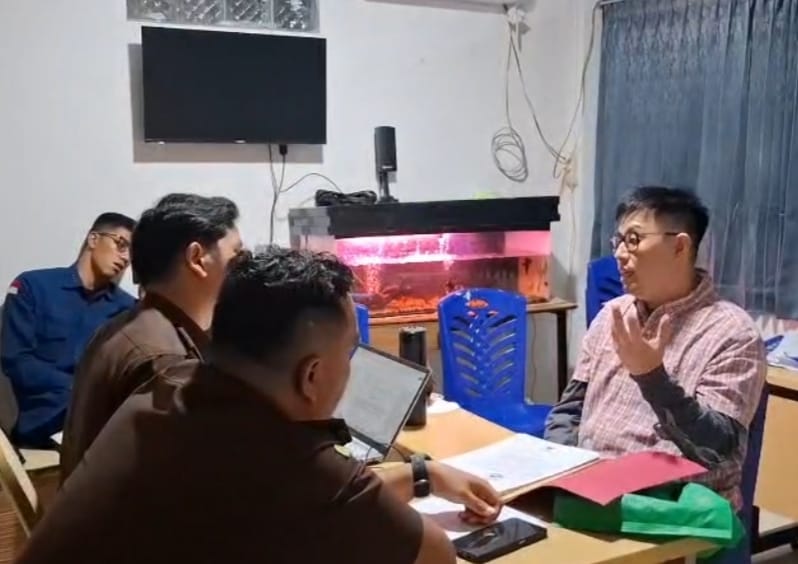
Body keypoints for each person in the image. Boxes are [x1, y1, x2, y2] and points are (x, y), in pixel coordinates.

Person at [18, 247, 503, 564]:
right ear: (311, 375)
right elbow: (434, 555)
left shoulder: (169, 390)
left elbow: (319, 503)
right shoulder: (290, 463)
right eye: (349, 353)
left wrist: (422, 473)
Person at [544, 186, 766, 509]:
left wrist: (651, 377)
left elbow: (716, 450)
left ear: (679, 246)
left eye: (634, 240)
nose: (620, 254)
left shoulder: (733, 333)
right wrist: (563, 468)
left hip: (670, 512)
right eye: (618, 241)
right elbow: (568, 411)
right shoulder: (612, 315)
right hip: (590, 495)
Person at [59, 193, 241, 480]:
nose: (243, 271)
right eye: (236, 257)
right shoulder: (165, 360)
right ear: (197, 259)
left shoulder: (127, 326)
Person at [0, 213, 137, 447]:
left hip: (97, 422)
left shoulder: (128, 309)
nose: (125, 258)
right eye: (120, 244)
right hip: (41, 415)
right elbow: (15, 359)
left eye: (132, 253)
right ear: (94, 239)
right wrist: (76, 387)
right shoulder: (35, 286)